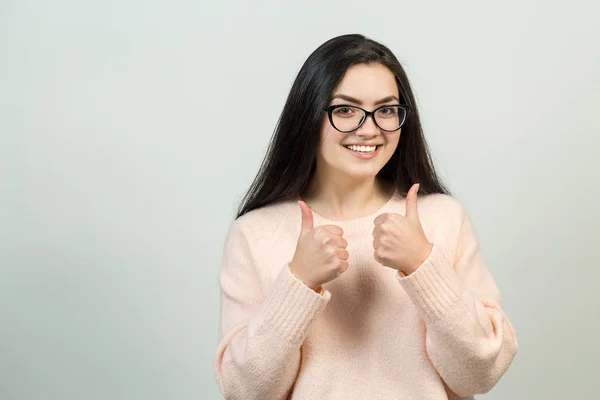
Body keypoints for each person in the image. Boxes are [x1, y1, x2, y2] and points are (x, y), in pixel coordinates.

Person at [213, 33, 518, 400]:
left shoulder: (443, 220)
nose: (370, 129)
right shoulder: (254, 234)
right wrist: (298, 282)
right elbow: (245, 392)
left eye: (387, 110)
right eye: (345, 109)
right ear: (308, 115)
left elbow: (480, 374)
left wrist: (424, 265)